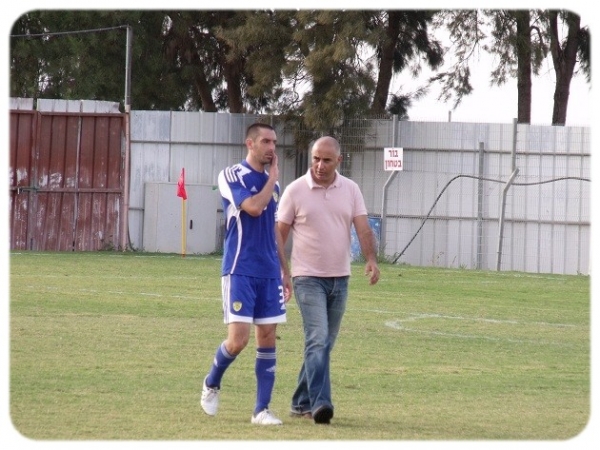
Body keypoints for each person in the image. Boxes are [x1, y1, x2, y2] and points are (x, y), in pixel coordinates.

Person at [277, 135, 380, 425]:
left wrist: (371, 259)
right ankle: (321, 404)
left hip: (340, 279)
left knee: (323, 344)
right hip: (307, 278)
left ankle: (300, 402)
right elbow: (278, 234)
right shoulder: (295, 190)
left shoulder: (351, 189)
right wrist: (283, 271)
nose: (320, 165)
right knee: (318, 339)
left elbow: (363, 228)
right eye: (315, 159)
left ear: (339, 161)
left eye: (326, 160)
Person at [200, 122, 292, 425]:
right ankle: (211, 383)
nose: (272, 148)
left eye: (274, 142)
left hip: (269, 273)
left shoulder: (273, 185)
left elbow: (274, 229)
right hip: (240, 269)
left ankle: (261, 410)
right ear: (249, 144)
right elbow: (252, 207)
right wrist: (272, 179)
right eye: (266, 141)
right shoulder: (232, 175)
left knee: (268, 336)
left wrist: (285, 271)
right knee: (238, 340)